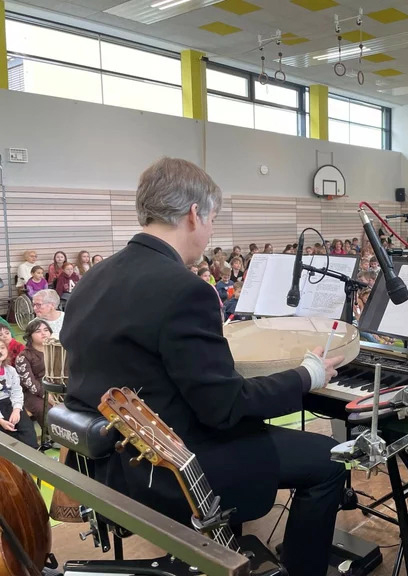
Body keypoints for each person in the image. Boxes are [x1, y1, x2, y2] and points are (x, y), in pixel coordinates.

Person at [61, 157, 346, 576]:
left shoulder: (93, 277)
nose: (211, 230)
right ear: (195, 214)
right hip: (174, 468)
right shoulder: (184, 289)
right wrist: (308, 375)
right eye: (212, 219)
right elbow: (224, 408)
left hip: (110, 462)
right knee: (331, 461)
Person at [15, 319, 54, 428]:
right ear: (29, 336)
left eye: (46, 330)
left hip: (56, 387)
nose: (43, 333)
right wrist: (46, 395)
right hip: (33, 393)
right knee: (46, 409)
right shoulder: (24, 356)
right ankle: (51, 436)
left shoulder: (56, 348)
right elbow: (30, 383)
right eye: (38, 331)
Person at [0, 340, 38, 449]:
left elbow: (16, 391)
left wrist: (16, 409)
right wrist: (1, 421)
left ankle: (35, 455)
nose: (0, 351)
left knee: (27, 429)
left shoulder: (10, 370)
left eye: (2, 347)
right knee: (8, 435)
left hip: (11, 403)